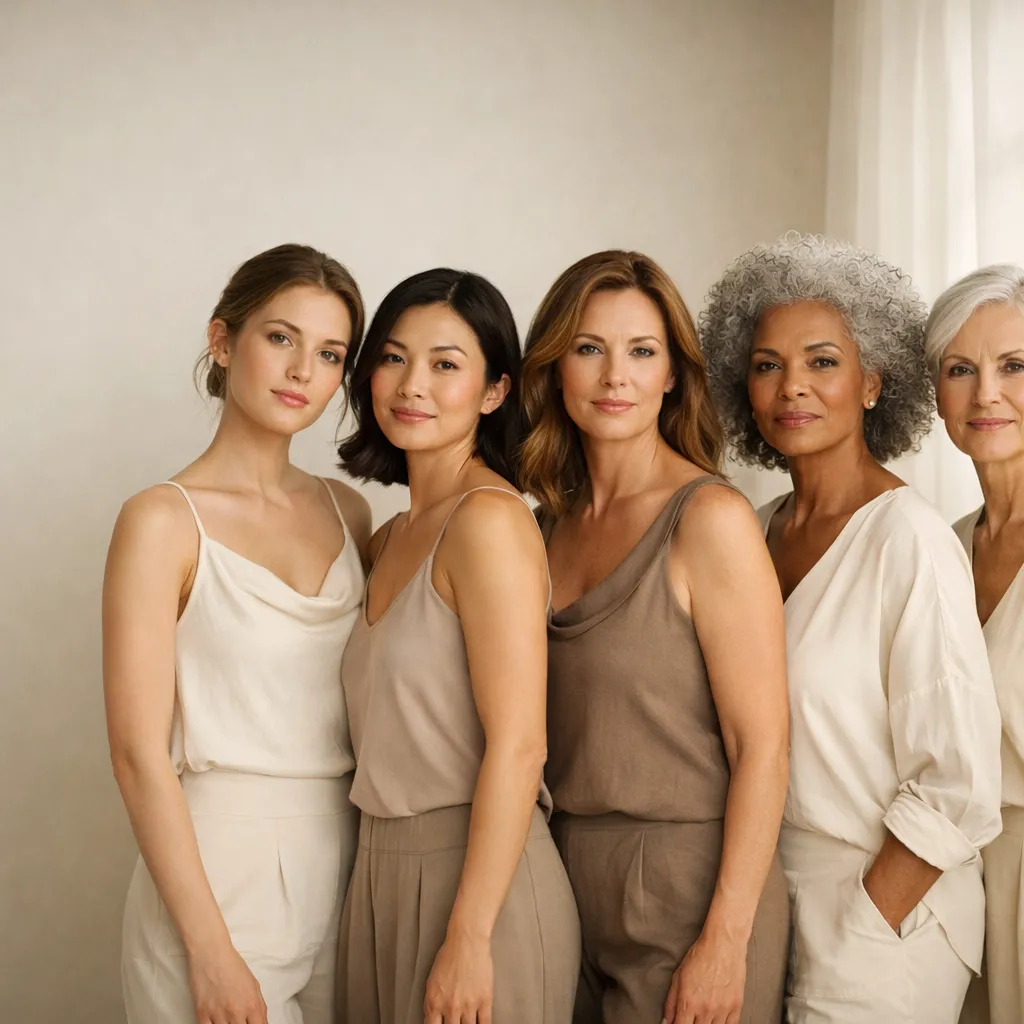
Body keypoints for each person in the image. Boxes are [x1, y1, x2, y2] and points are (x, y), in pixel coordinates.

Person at [701, 232, 1003, 1024]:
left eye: (822, 361)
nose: (792, 386)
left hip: (883, 912)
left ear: (873, 382)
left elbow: (957, 787)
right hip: (771, 895)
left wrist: (866, 918)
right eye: (767, 365)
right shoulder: (752, 532)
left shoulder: (910, 538)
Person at [519, 249, 791, 1024]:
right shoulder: (542, 527)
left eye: (642, 352)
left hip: (686, 881)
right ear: (553, 367)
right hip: (560, 872)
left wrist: (725, 941)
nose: (616, 377)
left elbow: (763, 747)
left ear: (673, 374)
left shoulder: (711, 521)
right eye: (588, 349)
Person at [105, 243, 371, 1024]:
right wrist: (211, 952)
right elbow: (134, 754)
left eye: (330, 354)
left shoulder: (347, 512)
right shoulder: (160, 521)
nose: (302, 372)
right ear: (223, 342)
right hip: (216, 874)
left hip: (347, 863)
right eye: (280, 338)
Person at [335, 268, 580, 1024]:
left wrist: (470, 937)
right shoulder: (386, 537)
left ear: (495, 392)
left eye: (445, 364)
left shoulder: (489, 522)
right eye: (394, 357)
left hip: (478, 885)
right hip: (375, 871)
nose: (412, 384)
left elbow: (518, 744)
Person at [929, 264, 1024, 1024]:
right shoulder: (945, 546)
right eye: (961, 369)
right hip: (958, 872)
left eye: (1015, 366)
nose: (985, 393)